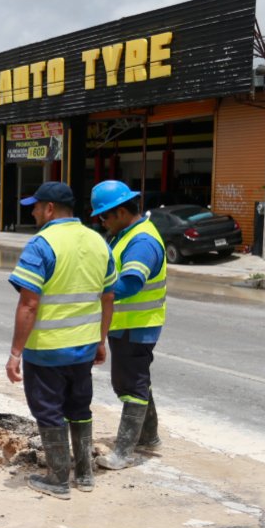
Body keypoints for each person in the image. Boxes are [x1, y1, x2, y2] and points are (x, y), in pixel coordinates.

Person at [6, 181, 116, 499]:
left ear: (50, 209)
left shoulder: (41, 245)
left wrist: (15, 353)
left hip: (47, 350)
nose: (33, 211)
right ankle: (84, 474)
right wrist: (101, 340)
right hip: (83, 348)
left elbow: (29, 303)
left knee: (49, 411)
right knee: (79, 407)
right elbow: (108, 298)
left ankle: (57, 478)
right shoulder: (98, 242)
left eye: (37, 206)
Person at [90, 180, 167, 471]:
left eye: (104, 216)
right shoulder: (126, 234)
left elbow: (132, 282)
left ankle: (124, 452)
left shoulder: (142, 241)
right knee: (135, 380)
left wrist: (96, 293)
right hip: (127, 325)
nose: (103, 222)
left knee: (131, 384)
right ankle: (149, 437)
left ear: (121, 211)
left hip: (138, 325)